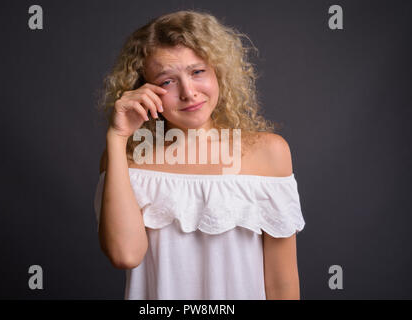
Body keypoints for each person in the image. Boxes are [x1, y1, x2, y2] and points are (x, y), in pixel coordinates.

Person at [93, 10, 305, 300]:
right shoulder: (126, 158)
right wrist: (117, 138)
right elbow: (125, 255)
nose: (189, 92)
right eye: (167, 81)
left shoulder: (269, 153)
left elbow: (282, 284)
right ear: (143, 89)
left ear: (218, 71)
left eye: (197, 72)